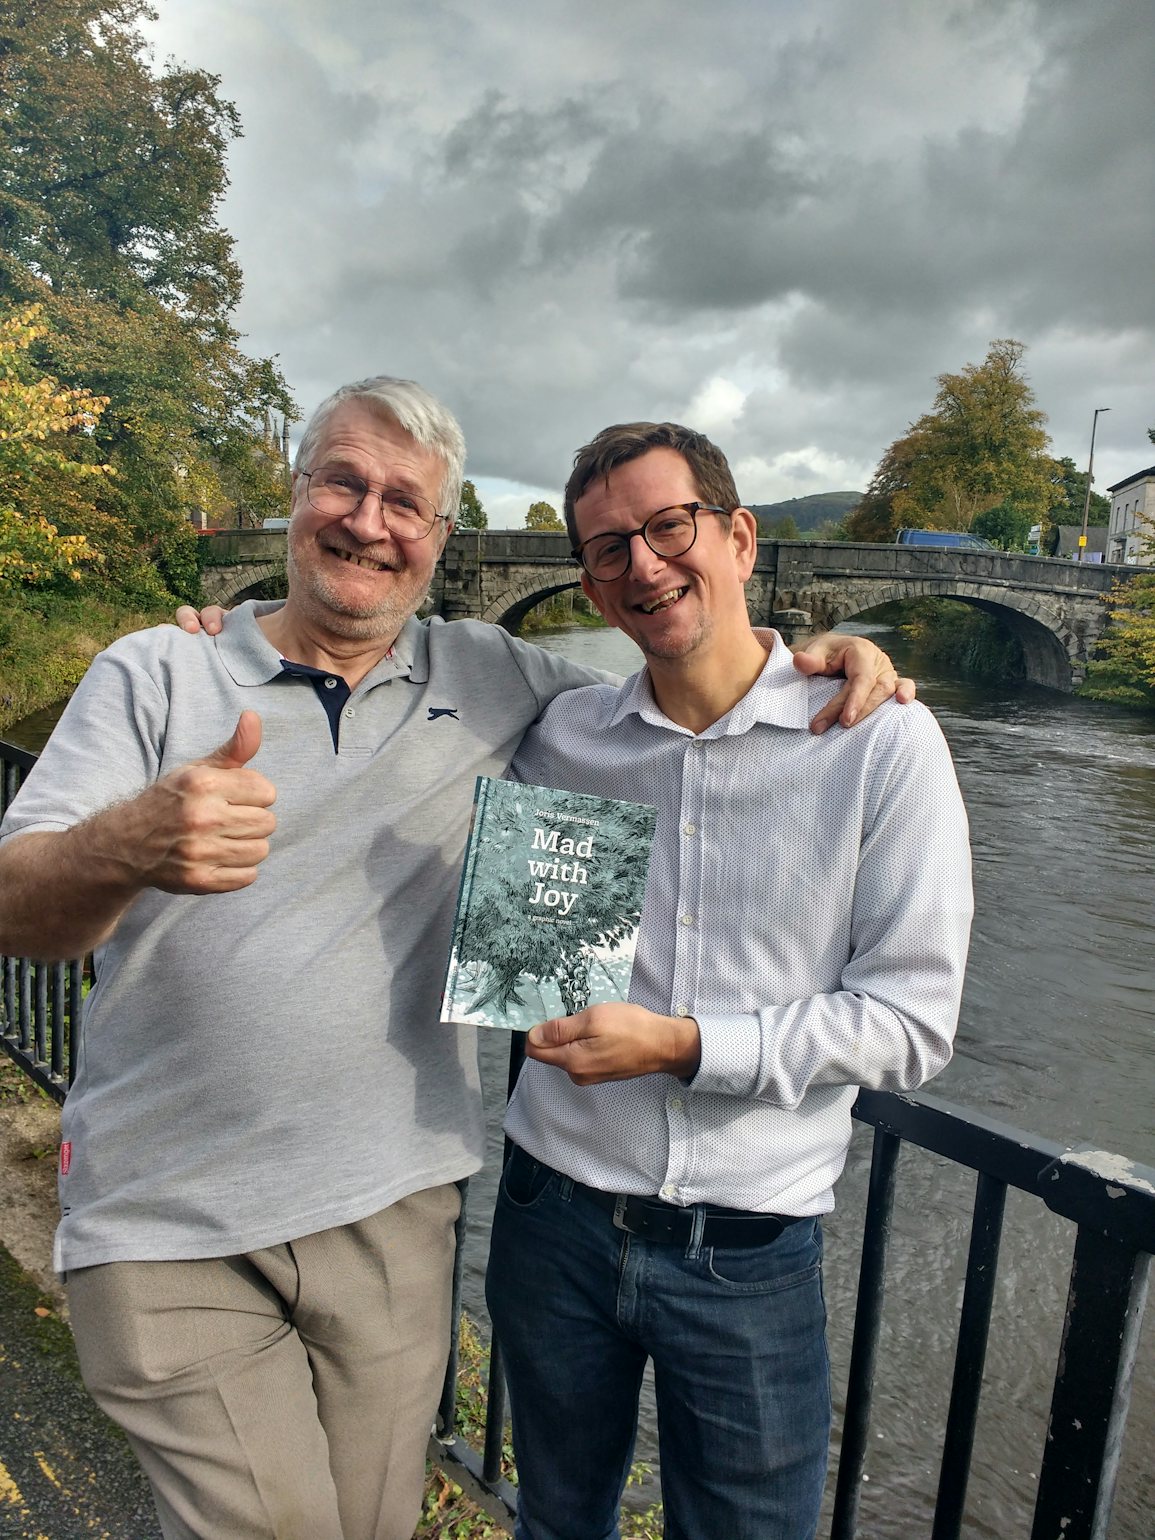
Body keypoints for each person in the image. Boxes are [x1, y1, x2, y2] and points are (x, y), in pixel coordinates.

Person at [0, 378, 908, 1540]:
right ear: (294, 498)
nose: (368, 521)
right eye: (343, 482)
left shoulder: (498, 681)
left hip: (392, 1216)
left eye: (404, 503)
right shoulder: (155, 674)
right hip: (166, 1219)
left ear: (440, 540)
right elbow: (19, 911)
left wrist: (815, 660)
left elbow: (684, 692)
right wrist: (128, 839)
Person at [484, 422, 973, 1540]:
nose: (645, 565)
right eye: (609, 550)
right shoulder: (562, 734)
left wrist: (685, 1045)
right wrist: (236, 636)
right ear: (593, 593)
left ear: (740, 536)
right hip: (551, 1211)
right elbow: (390, 682)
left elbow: (912, 1021)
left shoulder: (878, 740)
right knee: (557, 1519)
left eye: (669, 527)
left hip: (747, 1248)